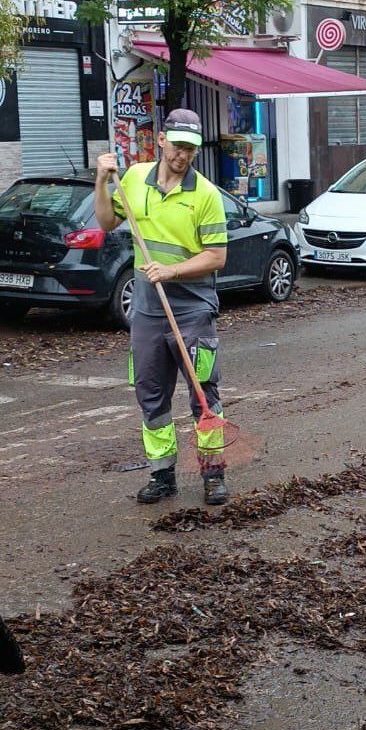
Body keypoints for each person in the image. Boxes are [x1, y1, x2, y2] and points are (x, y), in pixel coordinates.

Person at [94, 109, 231, 505]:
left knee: (203, 391)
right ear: (161, 142)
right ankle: (162, 474)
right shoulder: (134, 178)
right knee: (150, 393)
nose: (183, 155)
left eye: (191, 149)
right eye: (178, 146)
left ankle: (212, 473)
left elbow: (217, 256)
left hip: (192, 308)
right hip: (148, 310)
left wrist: (171, 271)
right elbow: (104, 222)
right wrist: (101, 181)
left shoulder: (205, 194)